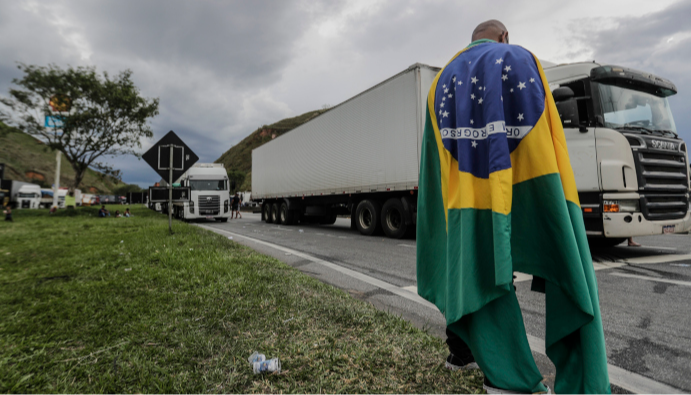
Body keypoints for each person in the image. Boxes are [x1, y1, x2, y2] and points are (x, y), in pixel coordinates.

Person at [416, 20, 610, 394]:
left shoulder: (440, 81)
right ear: (504, 36)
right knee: (566, 266)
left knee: (475, 266)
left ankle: (502, 376)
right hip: (531, 177)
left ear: (471, 39)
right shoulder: (520, 58)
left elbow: (435, 162)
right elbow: (549, 132)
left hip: (469, 198)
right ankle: (584, 380)